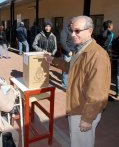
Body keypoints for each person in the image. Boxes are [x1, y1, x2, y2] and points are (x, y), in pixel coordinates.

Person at [45, 16, 111, 147]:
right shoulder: (81, 49)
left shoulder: (97, 55)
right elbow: (71, 68)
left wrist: (87, 118)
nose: (73, 34)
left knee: (81, 143)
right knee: (77, 141)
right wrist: (53, 60)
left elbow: (98, 92)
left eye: (77, 31)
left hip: (84, 109)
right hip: (77, 105)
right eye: (71, 30)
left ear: (90, 31)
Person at [60, 20, 76, 89]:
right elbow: (62, 42)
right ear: (70, 24)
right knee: (66, 69)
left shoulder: (74, 31)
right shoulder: (65, 31)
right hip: (67, 53)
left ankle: (69, 83)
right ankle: (64, 85)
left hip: (75, 52)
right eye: (74, 24)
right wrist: (68, 51)